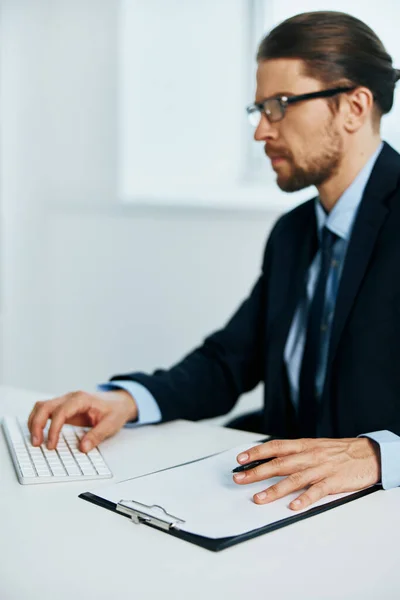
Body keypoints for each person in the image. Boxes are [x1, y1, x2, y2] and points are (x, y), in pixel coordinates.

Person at [28, 11, 400, 510]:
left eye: (280, 106)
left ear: (353, 107)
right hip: (283, 499)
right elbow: (230, 362)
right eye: (259, 109)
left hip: (373, 514)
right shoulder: (293, 234)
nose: (261, 132)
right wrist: (127, 400)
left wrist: (379, 456)